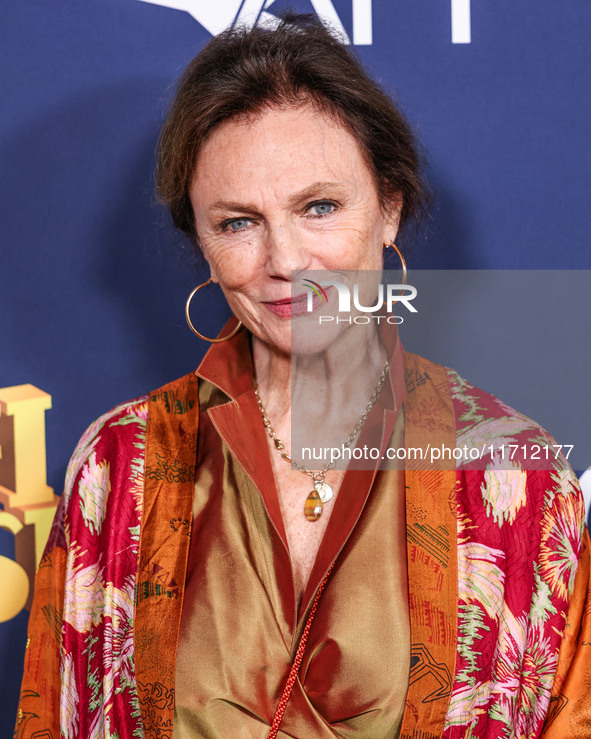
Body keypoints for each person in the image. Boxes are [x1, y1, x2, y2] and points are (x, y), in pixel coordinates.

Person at [15, 13, 591, 739]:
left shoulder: (513, 476)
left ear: (388, 206)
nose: (284, 260)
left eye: (318, 206)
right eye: (237, 222)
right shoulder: (119, 466)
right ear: (200, 239)